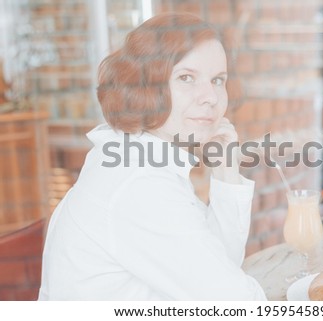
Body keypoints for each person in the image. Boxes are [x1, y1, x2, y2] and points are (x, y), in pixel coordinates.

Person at [38, 12, 267, 300]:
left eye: (218, 80)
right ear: (144, 86)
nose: (210, 96)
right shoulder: (140, 182)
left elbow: (219, 265)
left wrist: (225, 171)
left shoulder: (133, 153)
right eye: (186, 77)